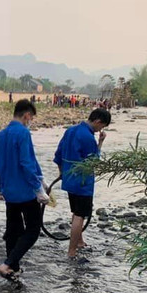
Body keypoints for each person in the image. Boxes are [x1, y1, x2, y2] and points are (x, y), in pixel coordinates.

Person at [0, 99, 50, 280]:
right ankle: (7, 264)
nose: (30, 121)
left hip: (9, 193)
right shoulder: (23, 133)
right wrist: (38, 189)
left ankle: (13, 266)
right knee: (33, 230)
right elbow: (27, 163)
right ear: (27, 115)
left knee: (13, 230)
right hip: (25, 192)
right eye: (31, 118)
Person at [53, 108, 111, 258]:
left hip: (69, 179)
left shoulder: (70, 131)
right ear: (98, 121)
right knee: (80, 215)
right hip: (83, 182)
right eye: (102, 126)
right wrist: (100, 143)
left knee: (75, 211)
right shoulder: (87, 137)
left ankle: (79, 241)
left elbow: (58, 154)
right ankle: (71, 251)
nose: (100, 130)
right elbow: (94, 161)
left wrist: (62, 173)